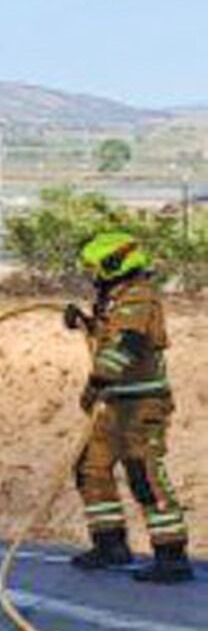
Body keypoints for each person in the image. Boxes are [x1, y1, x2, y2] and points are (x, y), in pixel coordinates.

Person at [66, 231, 192, 583]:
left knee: (143, 473)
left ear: (114, 263)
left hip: (140, 405)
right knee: (89, 468)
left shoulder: (140, 297)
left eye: (95, 269)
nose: (93, 277)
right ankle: (110, 545)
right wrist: (85, 323)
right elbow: (111, 334)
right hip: (115, 404)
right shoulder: (117, 299)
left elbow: (125, 345)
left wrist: (94, 385)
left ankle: (171, 555)